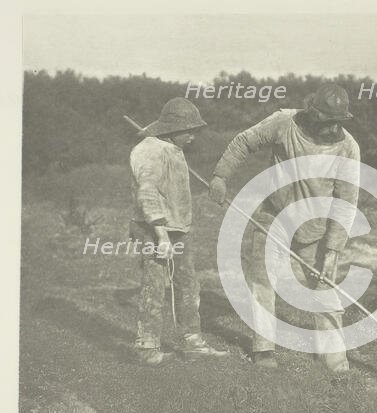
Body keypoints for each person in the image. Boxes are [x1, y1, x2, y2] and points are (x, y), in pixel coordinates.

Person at [209, 84, 360, 371]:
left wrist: (333, 250)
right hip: (273, 217)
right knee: (263, 281)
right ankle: (263, 349)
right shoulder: (284, 123)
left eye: (338, 123)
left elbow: (347, 200)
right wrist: (220, 176)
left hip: (315, 228)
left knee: (324, 286)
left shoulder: (348, 148)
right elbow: (244, 142)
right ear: (312, 113)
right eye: (327, 122)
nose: (331, 129)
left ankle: (333, 357)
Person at [129, 97, 228, 366]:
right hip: (154, 229)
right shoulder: (149, 150)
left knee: (187, 284)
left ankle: (191, 341)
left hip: (178, 229)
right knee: (155, 283)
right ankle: (147, 347)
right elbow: (147, 193)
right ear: (173, 129)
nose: (194, 136)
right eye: (190, 130)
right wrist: (160, 236)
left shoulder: (171, 149)